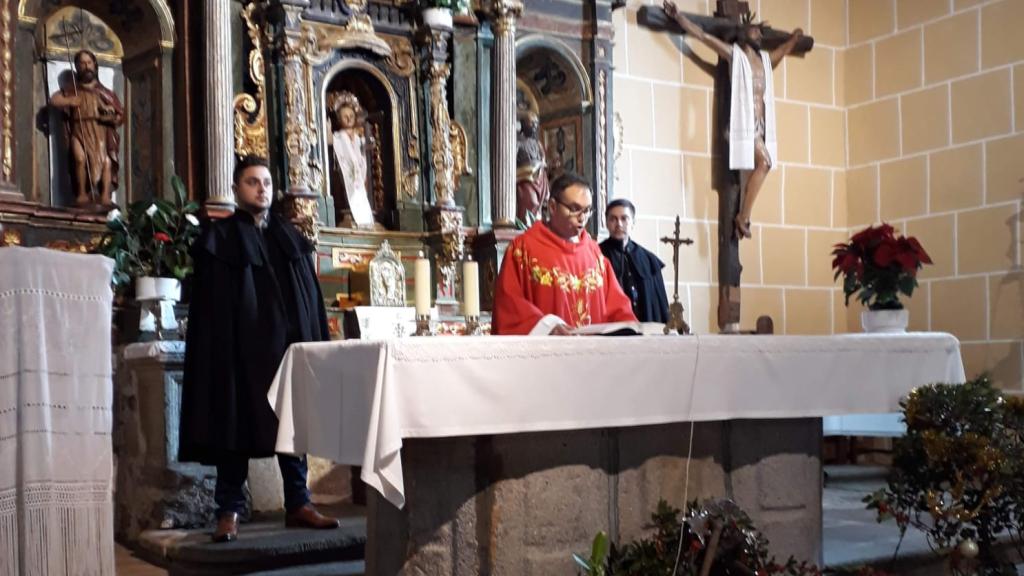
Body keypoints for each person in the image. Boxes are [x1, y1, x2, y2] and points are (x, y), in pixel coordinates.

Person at [179, 155, 340, 542]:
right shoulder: (219, 240)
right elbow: (211, 310)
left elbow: (308, 300)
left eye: (266, 182)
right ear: (237, 189)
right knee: (233, 427)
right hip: (238, 353)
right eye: (253, 182)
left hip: (286, 352)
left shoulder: (289, 238)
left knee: (292, 424)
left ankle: (298, 503)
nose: (261, 189)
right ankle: (229, 510)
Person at [663, 1, 802, 239]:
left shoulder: (765, 61)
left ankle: (742, 217)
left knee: (752, 173)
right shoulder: (734, 55)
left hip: (760, 125)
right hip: (743, 126)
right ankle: (743, 217)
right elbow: (703, 36)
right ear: (742, 33)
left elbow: (784, 49)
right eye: (755, 31)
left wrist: (795, 37)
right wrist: (679, 18)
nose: (759, 35)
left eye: (760, 32)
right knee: (765, 163)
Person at [493, 172, 637, 335]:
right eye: (574, 209)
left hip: (593, 350)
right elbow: (510, 306)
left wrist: (632, 328)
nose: (582, 218)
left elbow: (617, 307)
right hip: (547, 349)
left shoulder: (595, 253)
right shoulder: (523, 249)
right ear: (552, 207)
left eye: (587, 210)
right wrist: (548, 327)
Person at [49, 49, 124, 207]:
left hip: (99, 130)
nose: (87, 66)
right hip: (79, 130)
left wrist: (110, 116)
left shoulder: (105, 92)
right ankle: (81, 194)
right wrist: (70, 101)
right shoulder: (73, 89)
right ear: (77, 67)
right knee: (79, 159)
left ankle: (105, 196)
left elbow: (120, 114)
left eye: (89, 63)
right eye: (82, 63)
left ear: (95, 65)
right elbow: (54, 100)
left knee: (106, 162)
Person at [599, 199, 670, 323]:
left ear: (633, 222)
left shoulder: (649, 260)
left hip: (645, 328)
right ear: (606, 222)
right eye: (613, 219)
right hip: (611, 328)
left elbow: (660, 306)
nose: (619, 224)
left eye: (624, 218)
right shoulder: (596, 255)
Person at [329, 91, 375, 228]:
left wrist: (368, 143)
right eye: (345, 116)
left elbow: (365, 147)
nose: (349, 119)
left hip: (360, 172)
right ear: (339, 119)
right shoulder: (339, 135)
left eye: (351, 116)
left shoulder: (357, 136)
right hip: (344, 172)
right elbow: (332, 141)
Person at [515, 111, 550, 225]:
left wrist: (544, 164)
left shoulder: (538, 144)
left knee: (539, 205)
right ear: (524, 124)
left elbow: (543, 160)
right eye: (531, 123)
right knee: (531, 202)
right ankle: (525, 225)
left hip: (539, 178)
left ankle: (535, 225)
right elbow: (512, 160)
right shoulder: (518, 142)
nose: (534, 126)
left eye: (536, 123)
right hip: (525, 179)